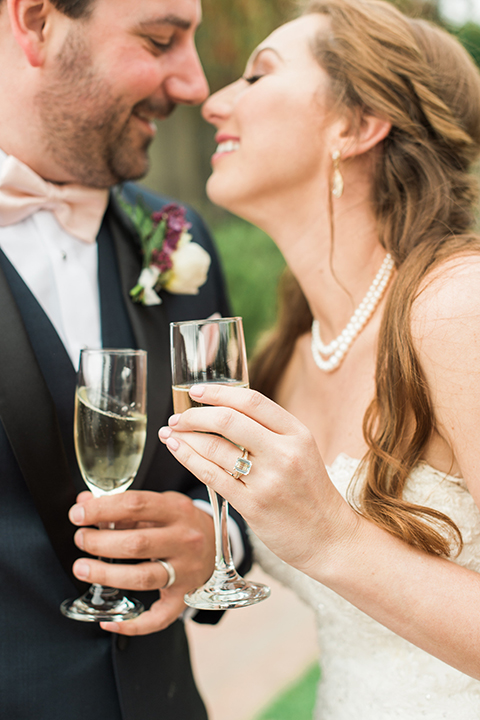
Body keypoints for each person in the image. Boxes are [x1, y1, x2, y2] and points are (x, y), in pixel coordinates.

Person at [158, 0, 480, 717]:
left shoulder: (458, 309)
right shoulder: (283, 358)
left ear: (357, 126)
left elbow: (331, 543)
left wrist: (333, 538)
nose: (212, 102)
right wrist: (211, 550)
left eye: (256, 75)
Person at [0, 0, 252, 718]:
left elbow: (233, 477)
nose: (195, 84)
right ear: (37, 21)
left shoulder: (178, 240)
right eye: (161, 40)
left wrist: (215, 539)